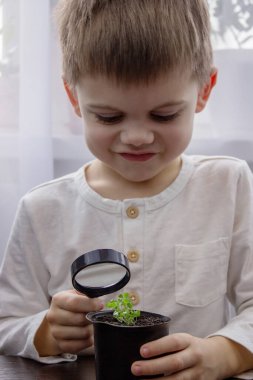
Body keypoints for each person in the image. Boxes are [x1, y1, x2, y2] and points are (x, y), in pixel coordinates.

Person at [0, 0, 253, 378]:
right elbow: (7, 322)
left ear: (204, 91)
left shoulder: (228, 185)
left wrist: (226, 353)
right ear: (73, 98)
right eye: (109, 116)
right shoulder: (43, 208)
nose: (137, 137)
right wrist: (47, 333)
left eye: (164, 115)